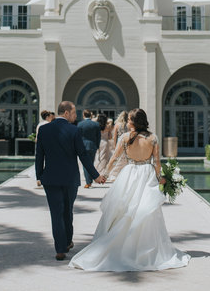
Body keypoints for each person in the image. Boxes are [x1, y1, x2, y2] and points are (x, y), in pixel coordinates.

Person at [69, 108, 190, 272]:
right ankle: (143, 249)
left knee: (125, 210)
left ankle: (120, 247)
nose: (126, 123)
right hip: (146, 175)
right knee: (146, 211)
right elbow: (157, 162)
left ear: (134, 122)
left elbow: (114, 158)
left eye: (129, 120)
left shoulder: (125, 138)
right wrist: (160, 178)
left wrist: (104, 174)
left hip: (130, 174)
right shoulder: (153, 138)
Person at [35, 100, 106, 261]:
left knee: (56, 213)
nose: (75, 116)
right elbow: (83, 155)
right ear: (66, 113)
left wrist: (39, 175)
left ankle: (60, 249)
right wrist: (96, 176)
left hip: (50, 178)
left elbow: (39, 155)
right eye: (74, 113)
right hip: (70, 178)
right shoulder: (73, 130)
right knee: (67, 211)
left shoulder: (44, 130)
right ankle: (66, 242)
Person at [77, 109, 101, 189]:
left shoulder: (80, 124)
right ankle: (90, 180)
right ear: (90, 115)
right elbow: (98, 137)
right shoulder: (96, 124)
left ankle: (88, 182)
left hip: (83, 146)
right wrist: (97, 146)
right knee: (91, 163)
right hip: (92, 146)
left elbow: (78, 137)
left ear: (83, 115)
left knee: (85, 164)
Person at [35, 110, 55, 187]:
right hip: (48, 145)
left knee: (39, 161)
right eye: (50, 116)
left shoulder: (39, 124)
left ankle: (38, 178)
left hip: (39, 145)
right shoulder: (49, 124)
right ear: (47, 117)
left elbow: (37, 136)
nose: (51, 117)